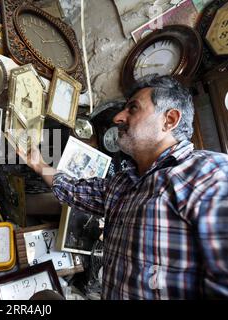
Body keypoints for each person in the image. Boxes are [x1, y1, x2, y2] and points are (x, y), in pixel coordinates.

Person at [22, 74, 228, 299]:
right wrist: (39, 164)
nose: (118, 117)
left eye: (133, 108)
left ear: (169, 120)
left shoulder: (210, 174)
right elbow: (74, 190)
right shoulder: (123, 183)